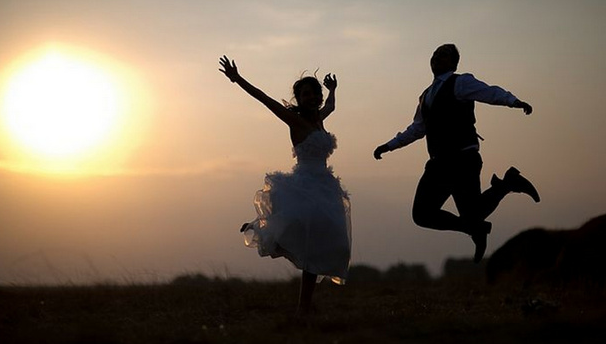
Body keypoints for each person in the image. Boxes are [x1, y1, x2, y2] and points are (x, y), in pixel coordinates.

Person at [373, 44, 539, 263]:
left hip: (462, 159)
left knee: (473, 213)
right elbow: (417, 129)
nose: (436, 58)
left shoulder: (461, 82)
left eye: (442, 55)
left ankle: (506, 186)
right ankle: (478, 224)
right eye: (434, 54)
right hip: (438, 163)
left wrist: (513, 101)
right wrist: (389, 145)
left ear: (453, 62)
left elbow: (489, 92)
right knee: (422, 214)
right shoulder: (425, 95)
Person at [219, 56, 351, 315]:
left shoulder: (319, 118)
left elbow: (331, 107)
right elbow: (264, 98)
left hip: (324, 187)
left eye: (314, 94)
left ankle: (304, 306)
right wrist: (237, 79)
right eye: (305, 95)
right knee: (298, 232)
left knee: (323, 243)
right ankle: (260, 226)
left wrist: (334, 89)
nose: (310, 98)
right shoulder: (295, 120)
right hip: (303, 185)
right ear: (298, 99)